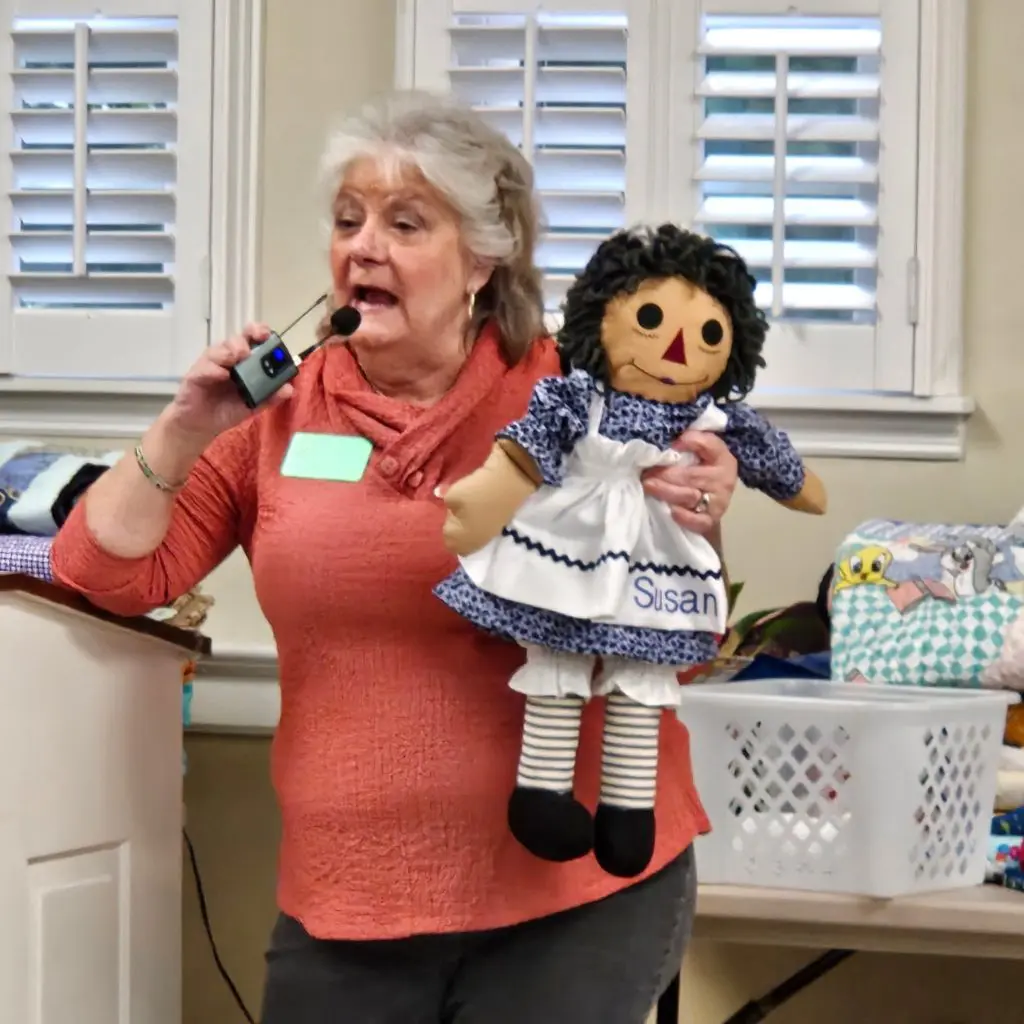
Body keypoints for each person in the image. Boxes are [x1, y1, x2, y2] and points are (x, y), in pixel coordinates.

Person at [50, 91, 740, 1024]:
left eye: (405, 224)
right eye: (348, 221)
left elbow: (677, 646)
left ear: (483, 259)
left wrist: (697, 516)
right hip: (349, 902)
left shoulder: (579, 401)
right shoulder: (272, 417)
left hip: (573, 896)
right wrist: (182, 430)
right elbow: (101, 574)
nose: (363, 248)